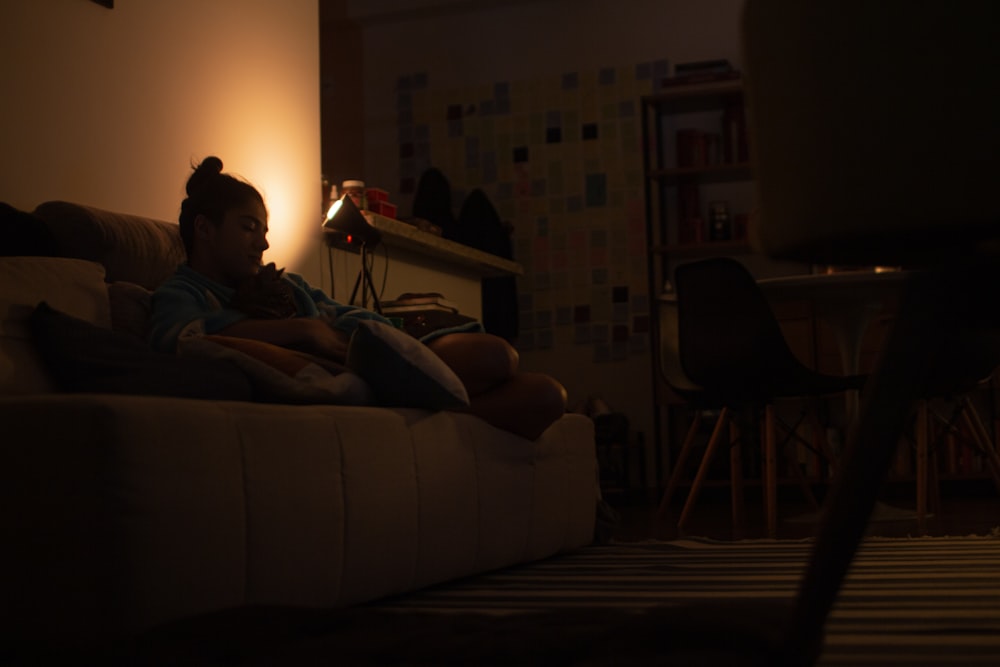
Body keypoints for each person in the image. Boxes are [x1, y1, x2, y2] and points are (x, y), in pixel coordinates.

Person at [148, 156, 567, 440]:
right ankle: (430, 418)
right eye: (248, 227)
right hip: (369, 374)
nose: (264, 242)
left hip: (384, 348)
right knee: (516, 377)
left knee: (531, 382)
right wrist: (302, 329)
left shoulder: (289, 284)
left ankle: (432, 419)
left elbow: (342, 312)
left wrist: (397, 331)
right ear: (204, 229)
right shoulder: (182, 293)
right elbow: (182, 338)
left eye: (263, 228)